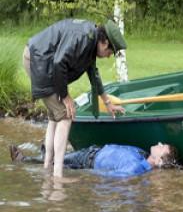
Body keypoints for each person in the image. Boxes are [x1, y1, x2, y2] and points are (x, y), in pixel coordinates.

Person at [23, 19, 127, 178]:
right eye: (110, 52)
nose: (107, 57)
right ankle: (57, 176)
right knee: (65, 115)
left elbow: (93, 74)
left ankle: (47, 168)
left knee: (54, 117)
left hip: (41, 60)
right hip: (38, 60)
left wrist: (107, 102)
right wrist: (65, 96)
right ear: (104, 42)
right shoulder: (83, 38)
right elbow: (59, 62)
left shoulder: (91, 40)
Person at [9, 142, 178, 178]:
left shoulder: (137, 168)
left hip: (87, 161)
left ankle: (23, 161)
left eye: (163, 147)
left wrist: (82, 173)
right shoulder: (141, 154)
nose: (159, 143)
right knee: (55, 158)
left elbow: (110, 177)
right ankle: (45, 154)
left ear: (160, 160)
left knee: (56, 162)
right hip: (93, 151)